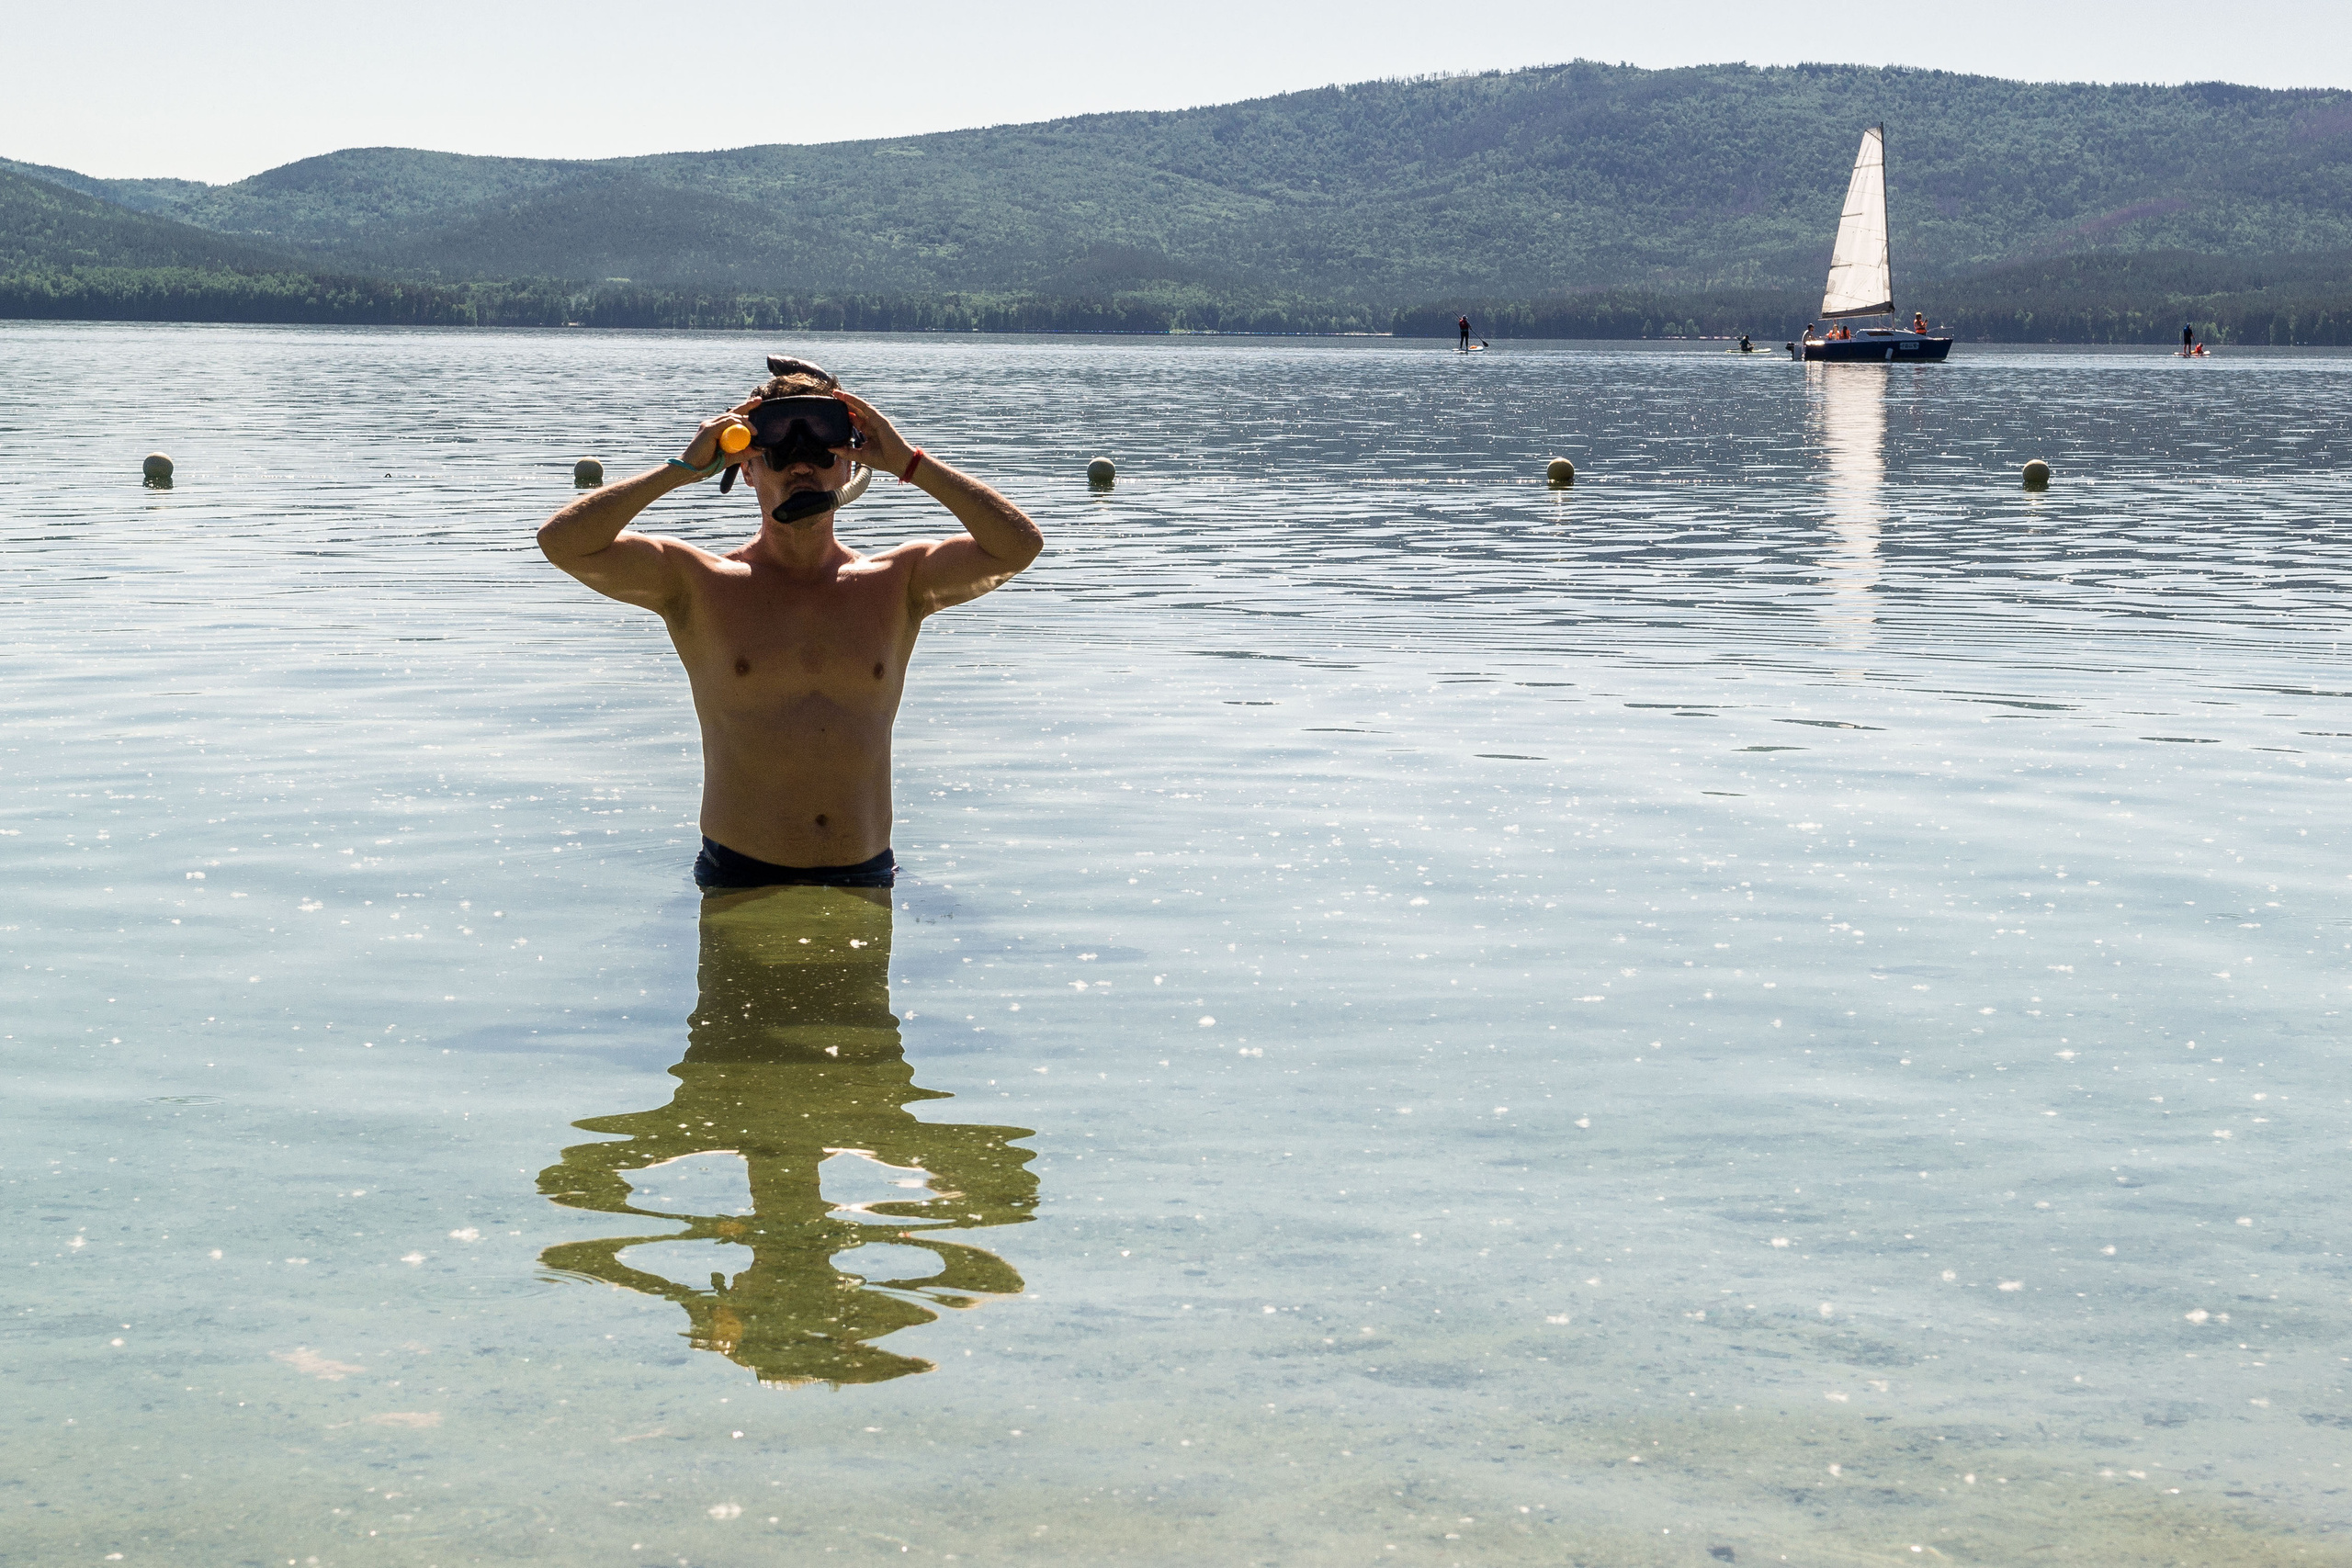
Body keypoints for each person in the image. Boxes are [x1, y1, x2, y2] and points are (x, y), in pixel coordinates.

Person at [536, 355, 1045, 892]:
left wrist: (908, 462)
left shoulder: (901, 581)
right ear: (747, 465)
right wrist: (681, 470)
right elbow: (562, 542)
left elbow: (1018, 546)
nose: (802, 464)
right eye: (778, 453)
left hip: (865, 875)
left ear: (849, 465)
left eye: (823, 453)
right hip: (736, 879)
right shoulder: (697, 583)